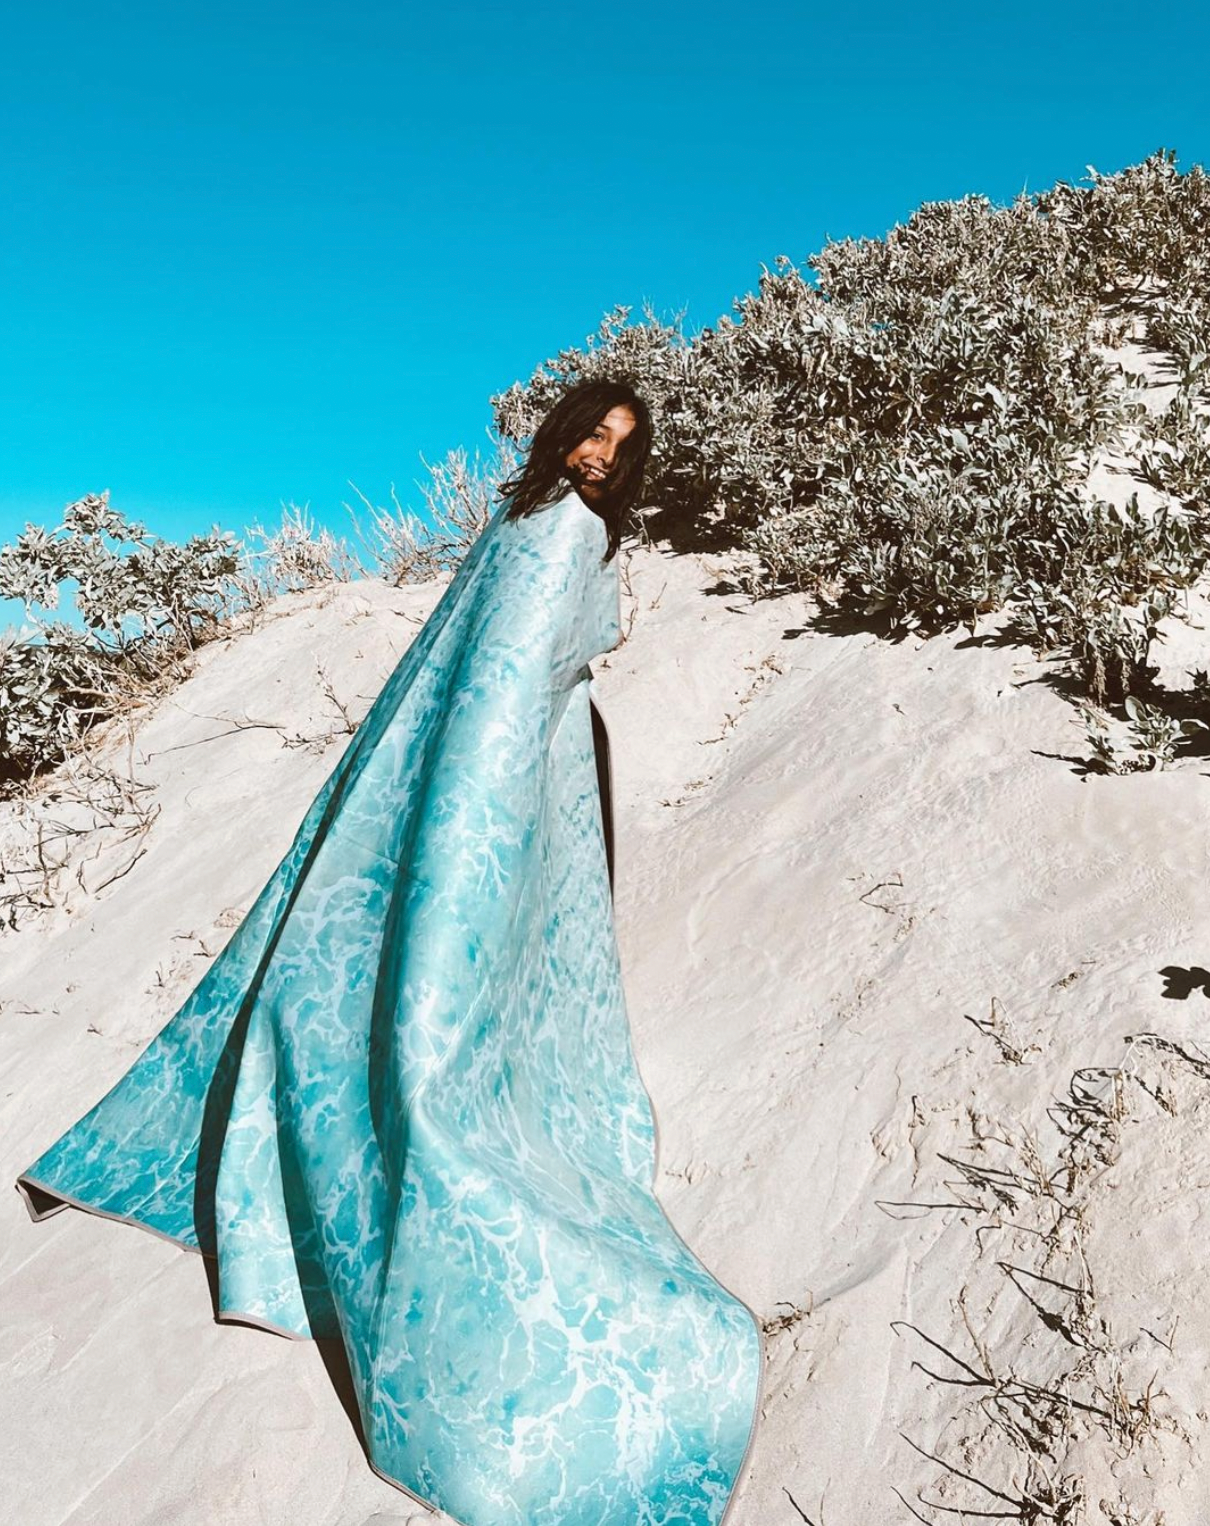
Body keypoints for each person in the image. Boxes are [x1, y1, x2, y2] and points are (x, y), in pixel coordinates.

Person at [15, 378, 762, 1526]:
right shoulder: (536, 525)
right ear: (561, 430)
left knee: (403, 1002)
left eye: (623, 445)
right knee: (423, 1021)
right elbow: (481, 678)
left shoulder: (546, 529)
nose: (601, 455)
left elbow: (500, 685)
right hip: (471, 796)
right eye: (592, 430)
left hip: (478, 792)